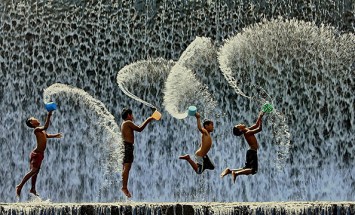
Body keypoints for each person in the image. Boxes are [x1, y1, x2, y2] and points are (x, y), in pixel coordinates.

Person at [16, 111, 62, 198]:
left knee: (36, 171)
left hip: (40, 154)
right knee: (33, 171)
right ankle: (20, 186)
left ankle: (33, 188)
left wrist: (55, 136)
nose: (36, 119)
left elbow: (46, 135)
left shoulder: (40, 130)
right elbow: (46, 127)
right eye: (34, 119)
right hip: (36, 154)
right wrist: (48, 116)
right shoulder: (36, 129)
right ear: (31, 123)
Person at [120, 108, 156, 198]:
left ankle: (124, 187)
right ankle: (124, 187)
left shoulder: (124, 124)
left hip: (126, 146)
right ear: (128, 115)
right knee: (127, 168)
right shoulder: (128, 122)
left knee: (125, 167)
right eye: (132, 115)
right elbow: (139, 129)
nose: (133, 116)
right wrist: (149, 119)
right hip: (127, 147)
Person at [220, 111, 264, 183]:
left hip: (250, 152)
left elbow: (256, 125)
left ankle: (229, 171)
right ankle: (236, 173)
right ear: (240, 129)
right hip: (252, 152)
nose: (240, 124)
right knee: (253, 170)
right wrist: (261, 119)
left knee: (246, 169)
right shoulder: (247, 132)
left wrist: (260, 116)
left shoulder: (247, 130)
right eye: (238, 125)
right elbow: (259, 129)